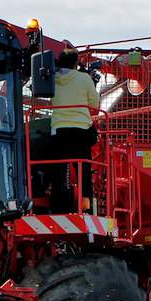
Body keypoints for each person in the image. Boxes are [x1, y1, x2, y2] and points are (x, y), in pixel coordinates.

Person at [47, 45, 100, 212]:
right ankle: (86, 206)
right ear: (76, 63)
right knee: (83, 168)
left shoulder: (51, 79)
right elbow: (95, 104)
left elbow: (48, 99)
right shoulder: (84, 79)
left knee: (58, 168)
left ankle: (57, 206)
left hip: (59, 130)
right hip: (81, 130)